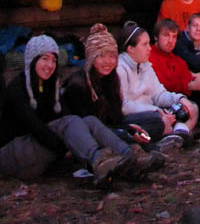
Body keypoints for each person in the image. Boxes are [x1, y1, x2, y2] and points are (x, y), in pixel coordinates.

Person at [0, 35, 142, 185]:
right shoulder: (17, 88)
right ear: (32, 60)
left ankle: (130, 157)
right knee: (69, 123)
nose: (50, 65)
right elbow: (35, 127)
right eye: (44, 59)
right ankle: (98, 161)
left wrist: (76, 140)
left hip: (38, 150)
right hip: (12, 156)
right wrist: (69, 146)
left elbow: (68, 117)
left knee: (89, 121)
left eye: (54, 60)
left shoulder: (50, 87)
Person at [62, 23, 164, 171]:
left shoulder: (111, 79)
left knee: (151, 122)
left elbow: (115, 117)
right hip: (89, 137)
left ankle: (139, 147)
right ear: (91, 58)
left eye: (111, 56)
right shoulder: (78, 86)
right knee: (122, 135)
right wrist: (124, 132)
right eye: (101, 56)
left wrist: (130, 129)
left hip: (109, 127)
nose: (107, 61)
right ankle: (133, 154)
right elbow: (92, 126)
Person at [116, 21, 198, 147]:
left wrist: (180, 99)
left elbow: (158, 94)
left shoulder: (145, 65)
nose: (149, 48)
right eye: (144, 44)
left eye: (149, 43)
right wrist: (157, 111)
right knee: (159, 121)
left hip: (153, 111)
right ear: (131, 49)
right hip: (133, 117)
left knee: (191, 107)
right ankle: (173, 137)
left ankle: (178, 135)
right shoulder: (120, 68)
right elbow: (124, 106)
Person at [150, 19, 200, 127]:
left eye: (174, 37)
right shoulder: (149, 55)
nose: (170, 41)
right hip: (163, 101)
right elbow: (159, 86)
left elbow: (186, 76)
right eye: (166, 35)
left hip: (184, 94)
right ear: (156, 37)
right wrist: (190, 85)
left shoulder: (176, 59)